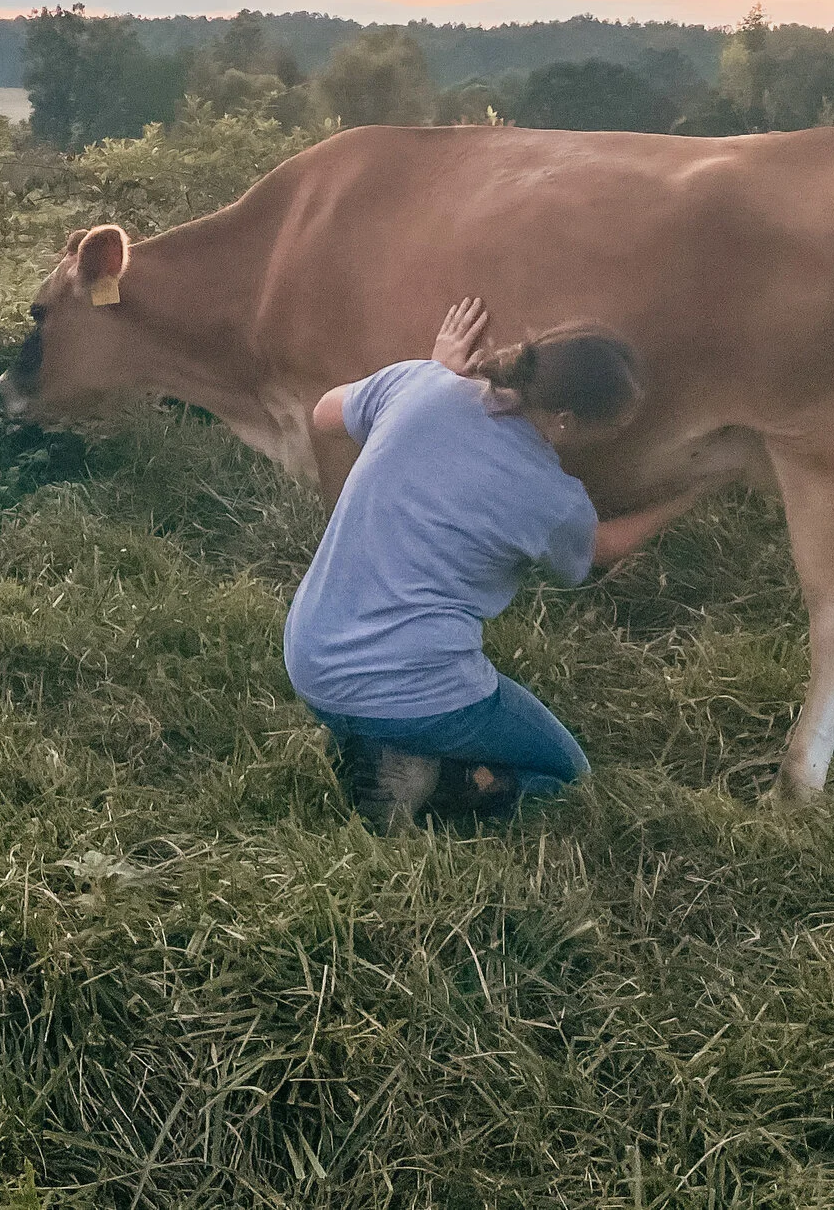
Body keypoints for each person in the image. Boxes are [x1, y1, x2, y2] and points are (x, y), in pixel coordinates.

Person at [285, 297, 687, 831]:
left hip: (310, 658)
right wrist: (689, 496)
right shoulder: (549, 495)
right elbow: (602, 549)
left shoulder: (419, 383)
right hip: (409, 687)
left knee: (388, 698)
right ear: (565, 420)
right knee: (566, 775)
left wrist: (434, 373)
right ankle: (430, 786)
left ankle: (373, 742)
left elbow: (324, 414)